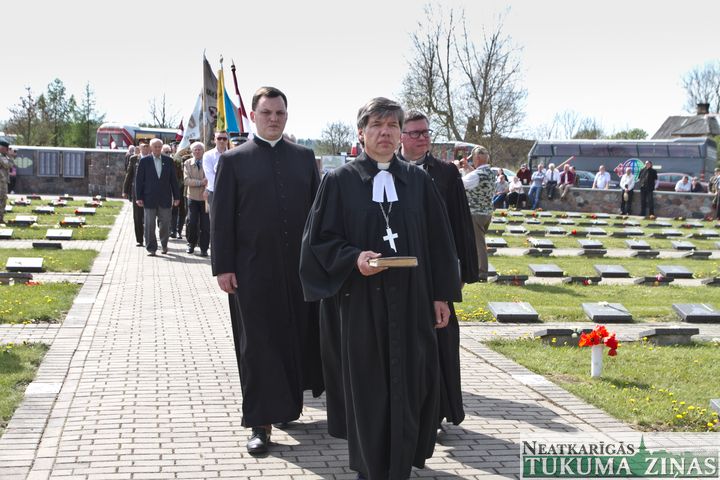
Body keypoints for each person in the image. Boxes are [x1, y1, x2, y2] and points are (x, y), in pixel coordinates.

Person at [299, 97, 461, 480]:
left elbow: (440, 242)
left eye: (392, 126)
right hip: (360, 303)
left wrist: (441, 296)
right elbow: (318, 242)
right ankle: (370, 467)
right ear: (361, 133)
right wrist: (353, 258)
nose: (385, 133)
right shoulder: (339, 182)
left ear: (400, 134)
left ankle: (399, 464)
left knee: (410, 381)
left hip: (412, 300)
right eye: (376, 125)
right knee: (368, 386)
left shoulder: (418, 182)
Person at [211, 86, 323, 455]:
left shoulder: (304, 158)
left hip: (298, 271)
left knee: (293, 338)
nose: (273, 119)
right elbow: (221, 220)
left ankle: (287, 407)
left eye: (279, 113)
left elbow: (318, 215)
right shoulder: (234, 161)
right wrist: (223, 267)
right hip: (251, 271)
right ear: (254, 116)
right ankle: (260, 423)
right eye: (266, 113)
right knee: (257, 346)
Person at [398, 109, 478, 430]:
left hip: (437, 272)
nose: (422, 138)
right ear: (401, 135)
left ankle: (439, 411)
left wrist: (462, 272)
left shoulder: (446, 173)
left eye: (426, 132)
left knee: (442, 341)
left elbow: (460, 223)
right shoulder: (389, 170)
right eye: (415, 133)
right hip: (402, 272)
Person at [134, 138, 181, 256]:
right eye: (155, 146)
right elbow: (139, 181)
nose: (157, 149)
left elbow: (173, 180)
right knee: (149, 225)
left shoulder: (168, 161)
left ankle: (164, 244)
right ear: (151, 148)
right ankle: (151, 248)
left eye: (159, 146)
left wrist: (176, 197)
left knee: (165, 224)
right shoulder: (144, 161)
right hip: (149, 198)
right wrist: (138, 197)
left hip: (165, 198)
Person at [462, 145, 496, 280]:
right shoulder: (491, 173)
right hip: (487, 213)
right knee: (478, 242)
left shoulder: (476, 175)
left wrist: (454, 169)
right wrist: (467, 168)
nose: (472, 161)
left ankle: (482, 272)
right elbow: (477, 176)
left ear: (477, 158)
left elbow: (460, 183)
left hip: (475, 213)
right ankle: (477, 268)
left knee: (479, 244)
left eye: (473, 158)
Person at [183, 142, 210, 256]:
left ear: (203, 151)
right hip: (192, 197)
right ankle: (191, 243)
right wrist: (200, 182)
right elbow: (186, 180)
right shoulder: (187, 163)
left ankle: (204, 248)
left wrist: (206, 186)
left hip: (205, 198)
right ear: (192, 151)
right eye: (195, 149)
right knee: (192, 222)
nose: (197, 151)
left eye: (199, 149)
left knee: (205, 225)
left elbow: (210, 179)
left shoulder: (208, 161)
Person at [123, 143, 149, 246]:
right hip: (137, 191)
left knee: (149, 215)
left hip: (149, 191)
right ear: (140, 148)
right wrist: (125, 190)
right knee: (137, 216)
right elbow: (129, 174)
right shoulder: (134, 159)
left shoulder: (152, 158)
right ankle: (139, 239)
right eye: (144, 146)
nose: (145, 148)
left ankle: (148, 237)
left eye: (147, 146)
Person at [202, 130, 229, 212]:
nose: (222, 141)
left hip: (230, 192)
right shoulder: (207, 155)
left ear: (227, 140)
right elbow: (209, 175)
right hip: (214, 191)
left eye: (224, 139)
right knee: (215, 218)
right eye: (219, 138)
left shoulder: (233, 154)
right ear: (214, 140)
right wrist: (224, 185)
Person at [0, 141, 11, 224]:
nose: (7, 151)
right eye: (7, 149)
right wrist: (11, 156)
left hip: (2, 181)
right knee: (2, 199)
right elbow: (8, 165)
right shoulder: (1, 157)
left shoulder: (3, 156)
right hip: (1, 182)